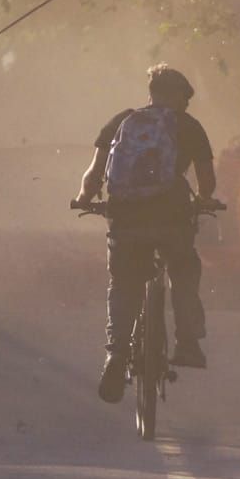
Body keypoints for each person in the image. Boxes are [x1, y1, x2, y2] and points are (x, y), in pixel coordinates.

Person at [74, 63, 217, 403]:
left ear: (151, 94)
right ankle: (187, 342)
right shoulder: (189, 126)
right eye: (185, 99)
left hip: (126, 219)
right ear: (177, 96)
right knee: (184, 269)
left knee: (124, 283)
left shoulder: (123, 121)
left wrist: (84, 199)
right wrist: (206, 200)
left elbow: (94, 174)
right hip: (172, 218)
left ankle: (116, 354)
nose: (185, 106)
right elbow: (207, 182)